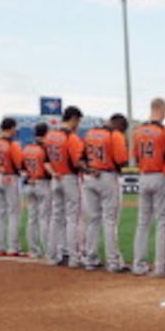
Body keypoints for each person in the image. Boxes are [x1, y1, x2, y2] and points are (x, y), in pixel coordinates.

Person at [130, 97, 165, 275]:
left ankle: (138, 264)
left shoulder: (138, 131)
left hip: (143, 176)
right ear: (162, 109)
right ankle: (161, 266)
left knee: (142, 223)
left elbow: (135, 156)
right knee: (163, 222)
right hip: (160, 176)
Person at [80, 113, 130, 271]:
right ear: (119, 125)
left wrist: (89, 168)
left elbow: (80, 159)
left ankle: (90, 259)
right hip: (107, 177)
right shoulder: (114, 135)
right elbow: (122, 159)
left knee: (93, 220)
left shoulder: (90, 133)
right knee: (109, 221)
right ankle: (114, 262)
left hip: (89, 177)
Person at [43, 106, 84, 267]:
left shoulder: (50, 136)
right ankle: (73, 257)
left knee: (56, 217)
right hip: (69, 178)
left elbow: (46, 161)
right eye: (78, 121)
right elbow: (77, 162)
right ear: (73, 118)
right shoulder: (72, 137)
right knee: (72, 217)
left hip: (55, 178)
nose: (78, 125)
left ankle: (53, 255)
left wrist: (53, 172)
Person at [0, 117, 24, 257]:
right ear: (11, 128)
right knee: (13, 214)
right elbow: (20, 164)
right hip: (10, 177)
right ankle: (13, 247)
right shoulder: (13, 144)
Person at [21, 123, 53, 259]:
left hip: (29, 183)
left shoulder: (27, 148)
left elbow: (21, 168)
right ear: (46, 133)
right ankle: (47, 250)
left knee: (32, 218)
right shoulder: (45, 148)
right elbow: (47, 166)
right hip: (43, 182)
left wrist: (30, 177)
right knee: (44, 218)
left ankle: (33, 249)